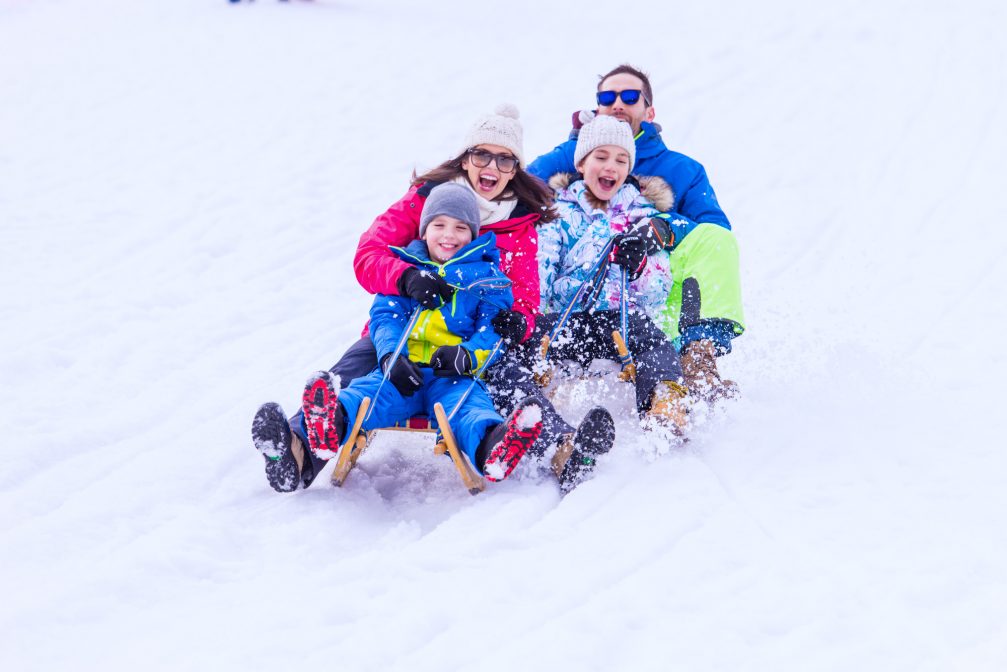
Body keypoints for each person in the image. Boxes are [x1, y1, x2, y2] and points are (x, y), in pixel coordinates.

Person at [252, 184, 545, 492]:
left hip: (455, 377)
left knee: (470, 410)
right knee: (366, 394)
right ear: (424, 230)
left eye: (460, 227)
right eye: (439, 225)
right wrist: (391, 356)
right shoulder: (409, 268)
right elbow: (385, 318)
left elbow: (492, 331)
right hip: (401, 372)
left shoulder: (488, 280)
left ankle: (495, 447)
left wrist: (467, 356)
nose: (449, 235)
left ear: (473, 234)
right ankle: (329, 424)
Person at [528, 64, 744, 402]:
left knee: (719, 242)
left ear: (649, 110)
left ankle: (697, 358)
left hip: (649, 296)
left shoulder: (680, 169)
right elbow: (511, 193)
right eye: (607, 96)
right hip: (573, 301)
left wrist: (663, 227)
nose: (618, 103)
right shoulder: (568, 156)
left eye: (630, 96)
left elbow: (713, 229)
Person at [527, 115, 690, 490]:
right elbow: (540, 276)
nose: (611, 167)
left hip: (618, 321)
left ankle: (664, 399)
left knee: (651, 340)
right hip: (566, 319)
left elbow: (656, 292)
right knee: (530, 340)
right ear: (582, 163)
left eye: (621, 160)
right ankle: (544, 420)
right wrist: (538, 313)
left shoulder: (644, 219)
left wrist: (640, 265)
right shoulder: (557, 215)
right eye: (601, 156)